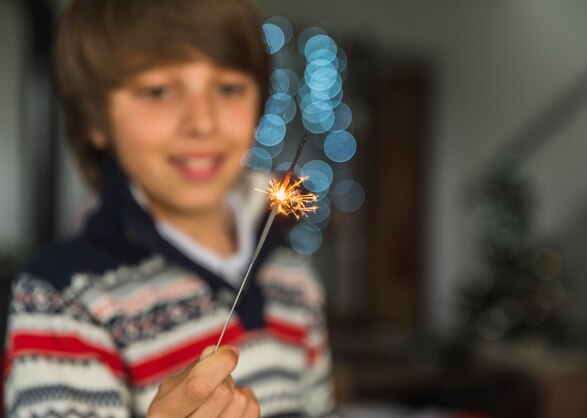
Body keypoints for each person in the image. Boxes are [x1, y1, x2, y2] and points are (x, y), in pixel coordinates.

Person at [3, 0, 337, 417]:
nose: (202, 122)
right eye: (158, 91)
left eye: (229, 88)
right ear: (94, 119)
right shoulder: (60, 301)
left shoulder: (294, 279)